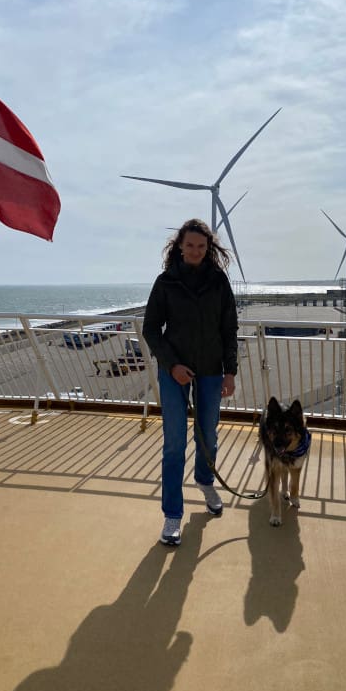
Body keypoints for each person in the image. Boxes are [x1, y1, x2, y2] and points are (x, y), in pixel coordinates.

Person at [142, 218, 238, 546]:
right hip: (174, 373)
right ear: (179, 246)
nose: (195, 250)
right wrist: (172, 365)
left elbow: (229, 329)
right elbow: (151, 329)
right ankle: (172, 515)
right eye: (190, 245)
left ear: (208, 248)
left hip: (212, 369)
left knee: (208, 435)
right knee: (173, 443)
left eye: (201, 245)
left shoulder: (219, 282)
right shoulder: (166, 282)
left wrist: (231, 371)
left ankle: (204, 480)